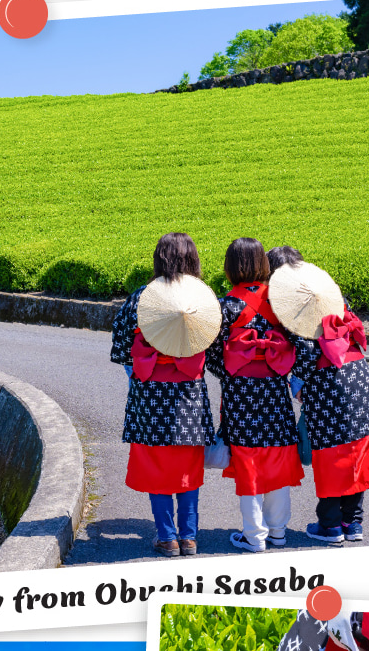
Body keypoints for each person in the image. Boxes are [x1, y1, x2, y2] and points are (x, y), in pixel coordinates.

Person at [268, 246, 369, 546]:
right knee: (358, 451)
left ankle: (331, 526)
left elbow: (306, 356)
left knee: (331, 457)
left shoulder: (294, 307)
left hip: (329, 387)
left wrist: (296, 385)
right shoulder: (327, 293)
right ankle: (353, 523)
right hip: (359, 379)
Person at [110, 232, 219, 557]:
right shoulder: (201, 299)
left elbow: (120, 347)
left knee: (156, 466)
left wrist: (140, 373)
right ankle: (189, 537)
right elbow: (214, 345)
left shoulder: (142, 297)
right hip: (189, 394)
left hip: (151, 396)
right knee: (188, 466)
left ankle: (167, 537)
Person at [203, 237, 303, 553]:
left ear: (230, 268)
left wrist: (232, 373)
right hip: (275, 392)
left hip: (241, 396)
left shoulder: (225, 307)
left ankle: (254, 536)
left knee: (249, 463)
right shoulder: (279, 305)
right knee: (277, 459)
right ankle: (278, 532)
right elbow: (301, 346)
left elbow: (211, 353)